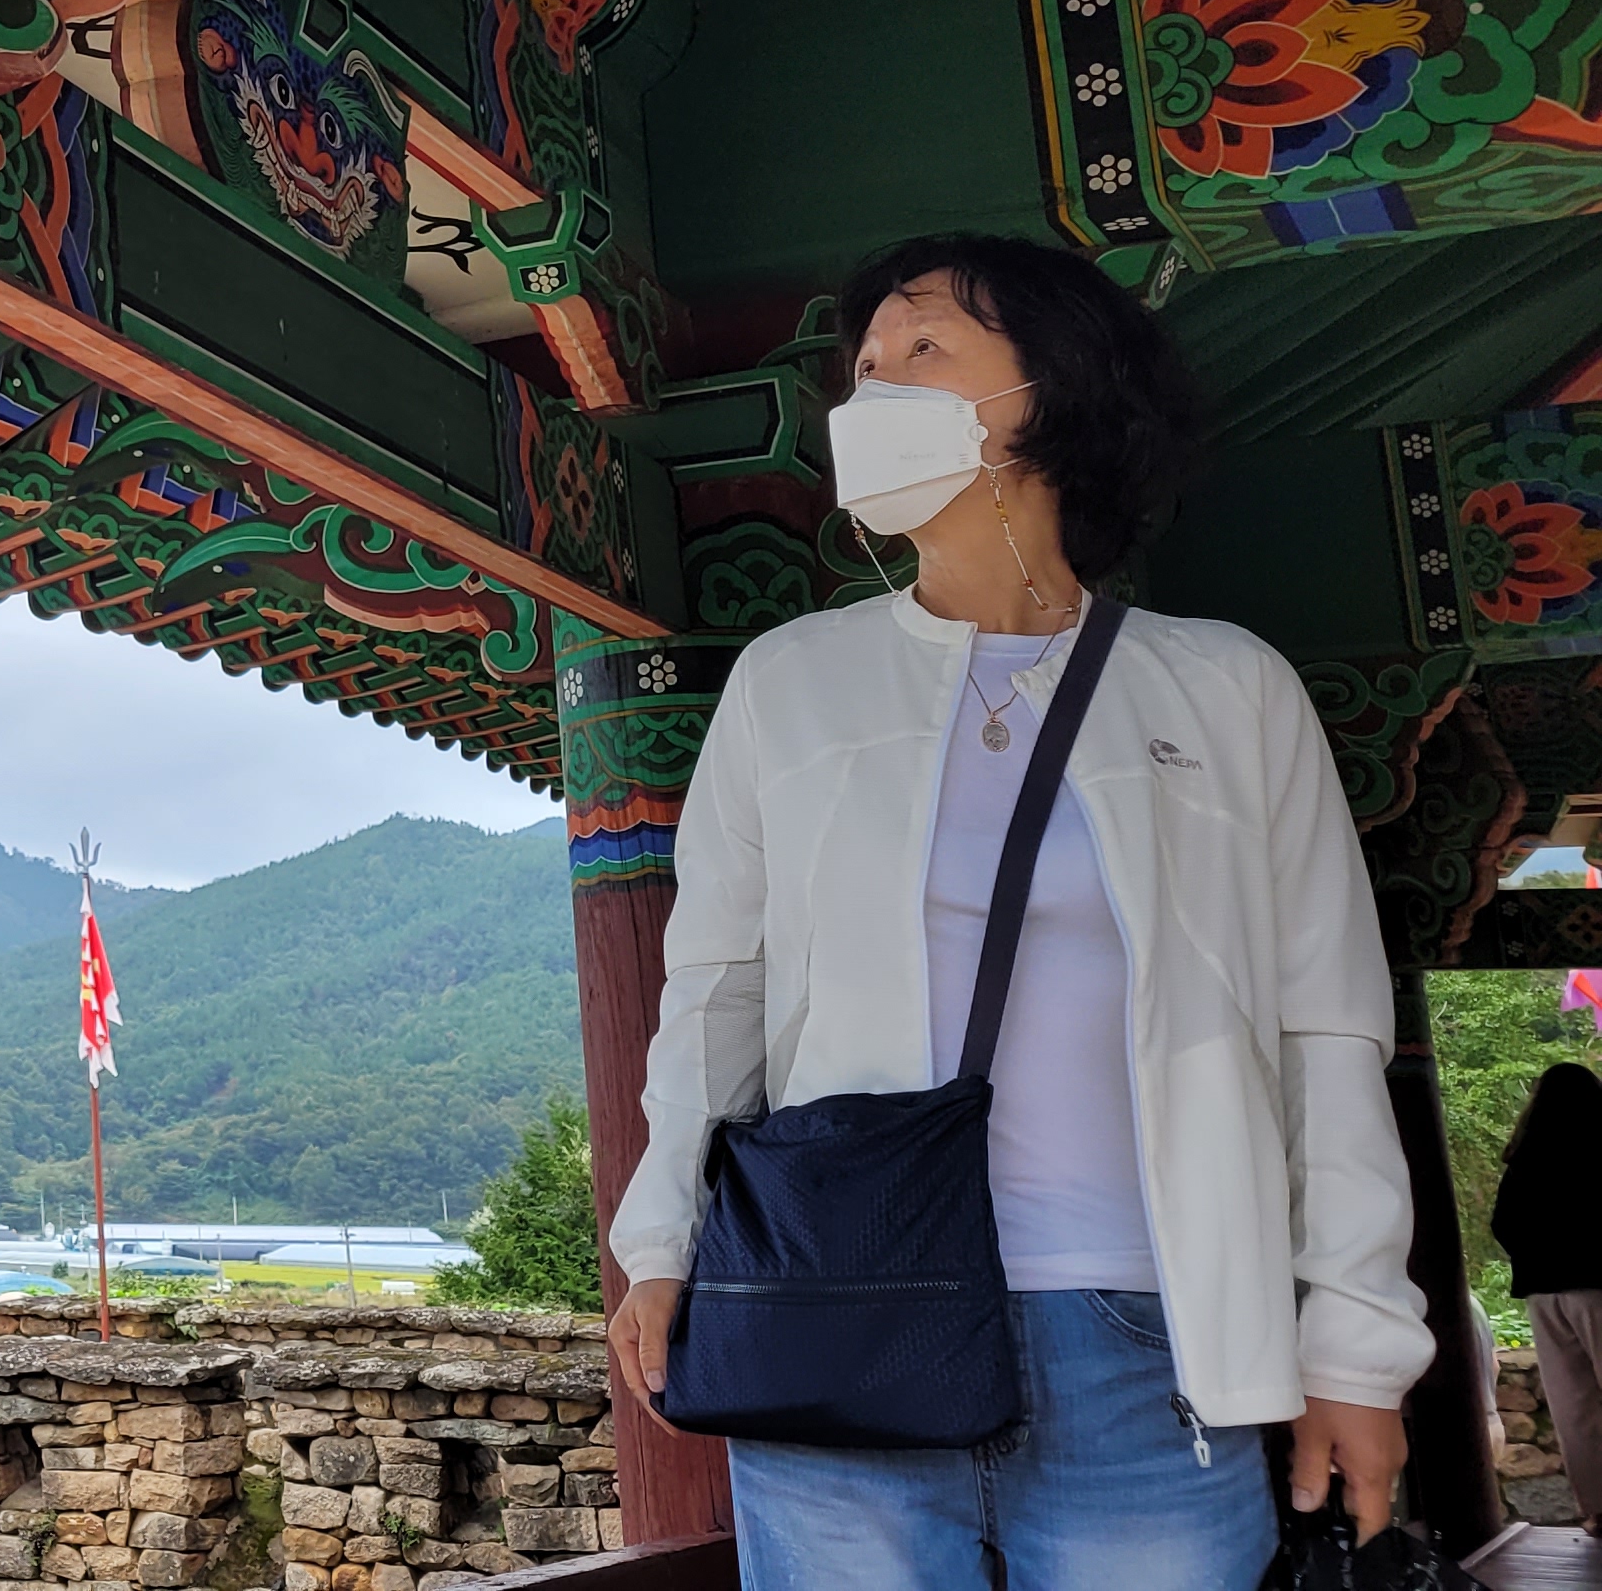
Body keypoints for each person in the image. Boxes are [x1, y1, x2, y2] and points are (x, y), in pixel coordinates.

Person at [601, 233, 1430, 1589]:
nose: (878, 388)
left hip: (1153, 1338)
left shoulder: (1225, 689)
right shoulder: (788, 686)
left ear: (1054, 385)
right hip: (836, 1314)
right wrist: (662, 1243)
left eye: (925, 348)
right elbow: (715, 997)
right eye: (867, 366)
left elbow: (1324, 1032)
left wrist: (1355, 1345)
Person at [1495, 1061, 1602, 1521]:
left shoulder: (1525, 1156)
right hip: (1596, 1286)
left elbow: (1503, 1224)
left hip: (1543, 1295)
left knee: (1573, 1407)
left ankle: (1596, 1509)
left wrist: (1535, 1258)